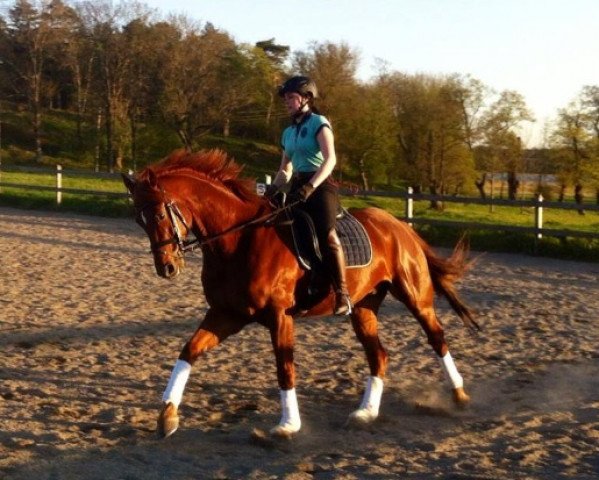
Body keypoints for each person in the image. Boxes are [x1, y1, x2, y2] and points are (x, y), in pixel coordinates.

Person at [265, 75, 352, 316]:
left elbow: (330, 159)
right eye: (286, 99)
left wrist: (310, 187)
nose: (288, 102)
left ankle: (342, 292)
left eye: (291, 98)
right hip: (297, 186)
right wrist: (274, 187)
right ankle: (311, 281)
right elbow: (286, 168)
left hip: (320, 184)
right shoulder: (288, 133)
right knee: (287, 231)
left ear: (306, 99)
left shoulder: (319, 123)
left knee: (326, 233)